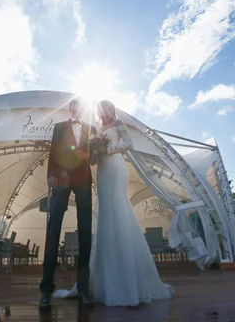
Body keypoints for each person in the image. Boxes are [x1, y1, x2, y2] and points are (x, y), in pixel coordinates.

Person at [53, 100, 174, 307]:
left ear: (111, 109)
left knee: (119, 211)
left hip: (117, 169)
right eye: (100, 108)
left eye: (106, 107)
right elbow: (92, 158)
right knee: (106, 217)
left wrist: (108, 148)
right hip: (102, 173)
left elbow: (129, 144)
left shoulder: (118, 125)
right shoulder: (96, 129)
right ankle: (105, 278)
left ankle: (127, 281)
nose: (103, 111)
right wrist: (91, 154)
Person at [40, 98, 97, 310]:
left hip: (83, 180)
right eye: (75, 105)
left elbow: (96, 157)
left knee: (85, 233)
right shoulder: (59, 127)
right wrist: (50, 174)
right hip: (61, 179)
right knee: (53, 229)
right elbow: (53, 151)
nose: (79, 108)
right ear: (69, 108)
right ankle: (46, 290)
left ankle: (84, 289)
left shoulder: (91, 129)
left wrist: (89, 153)